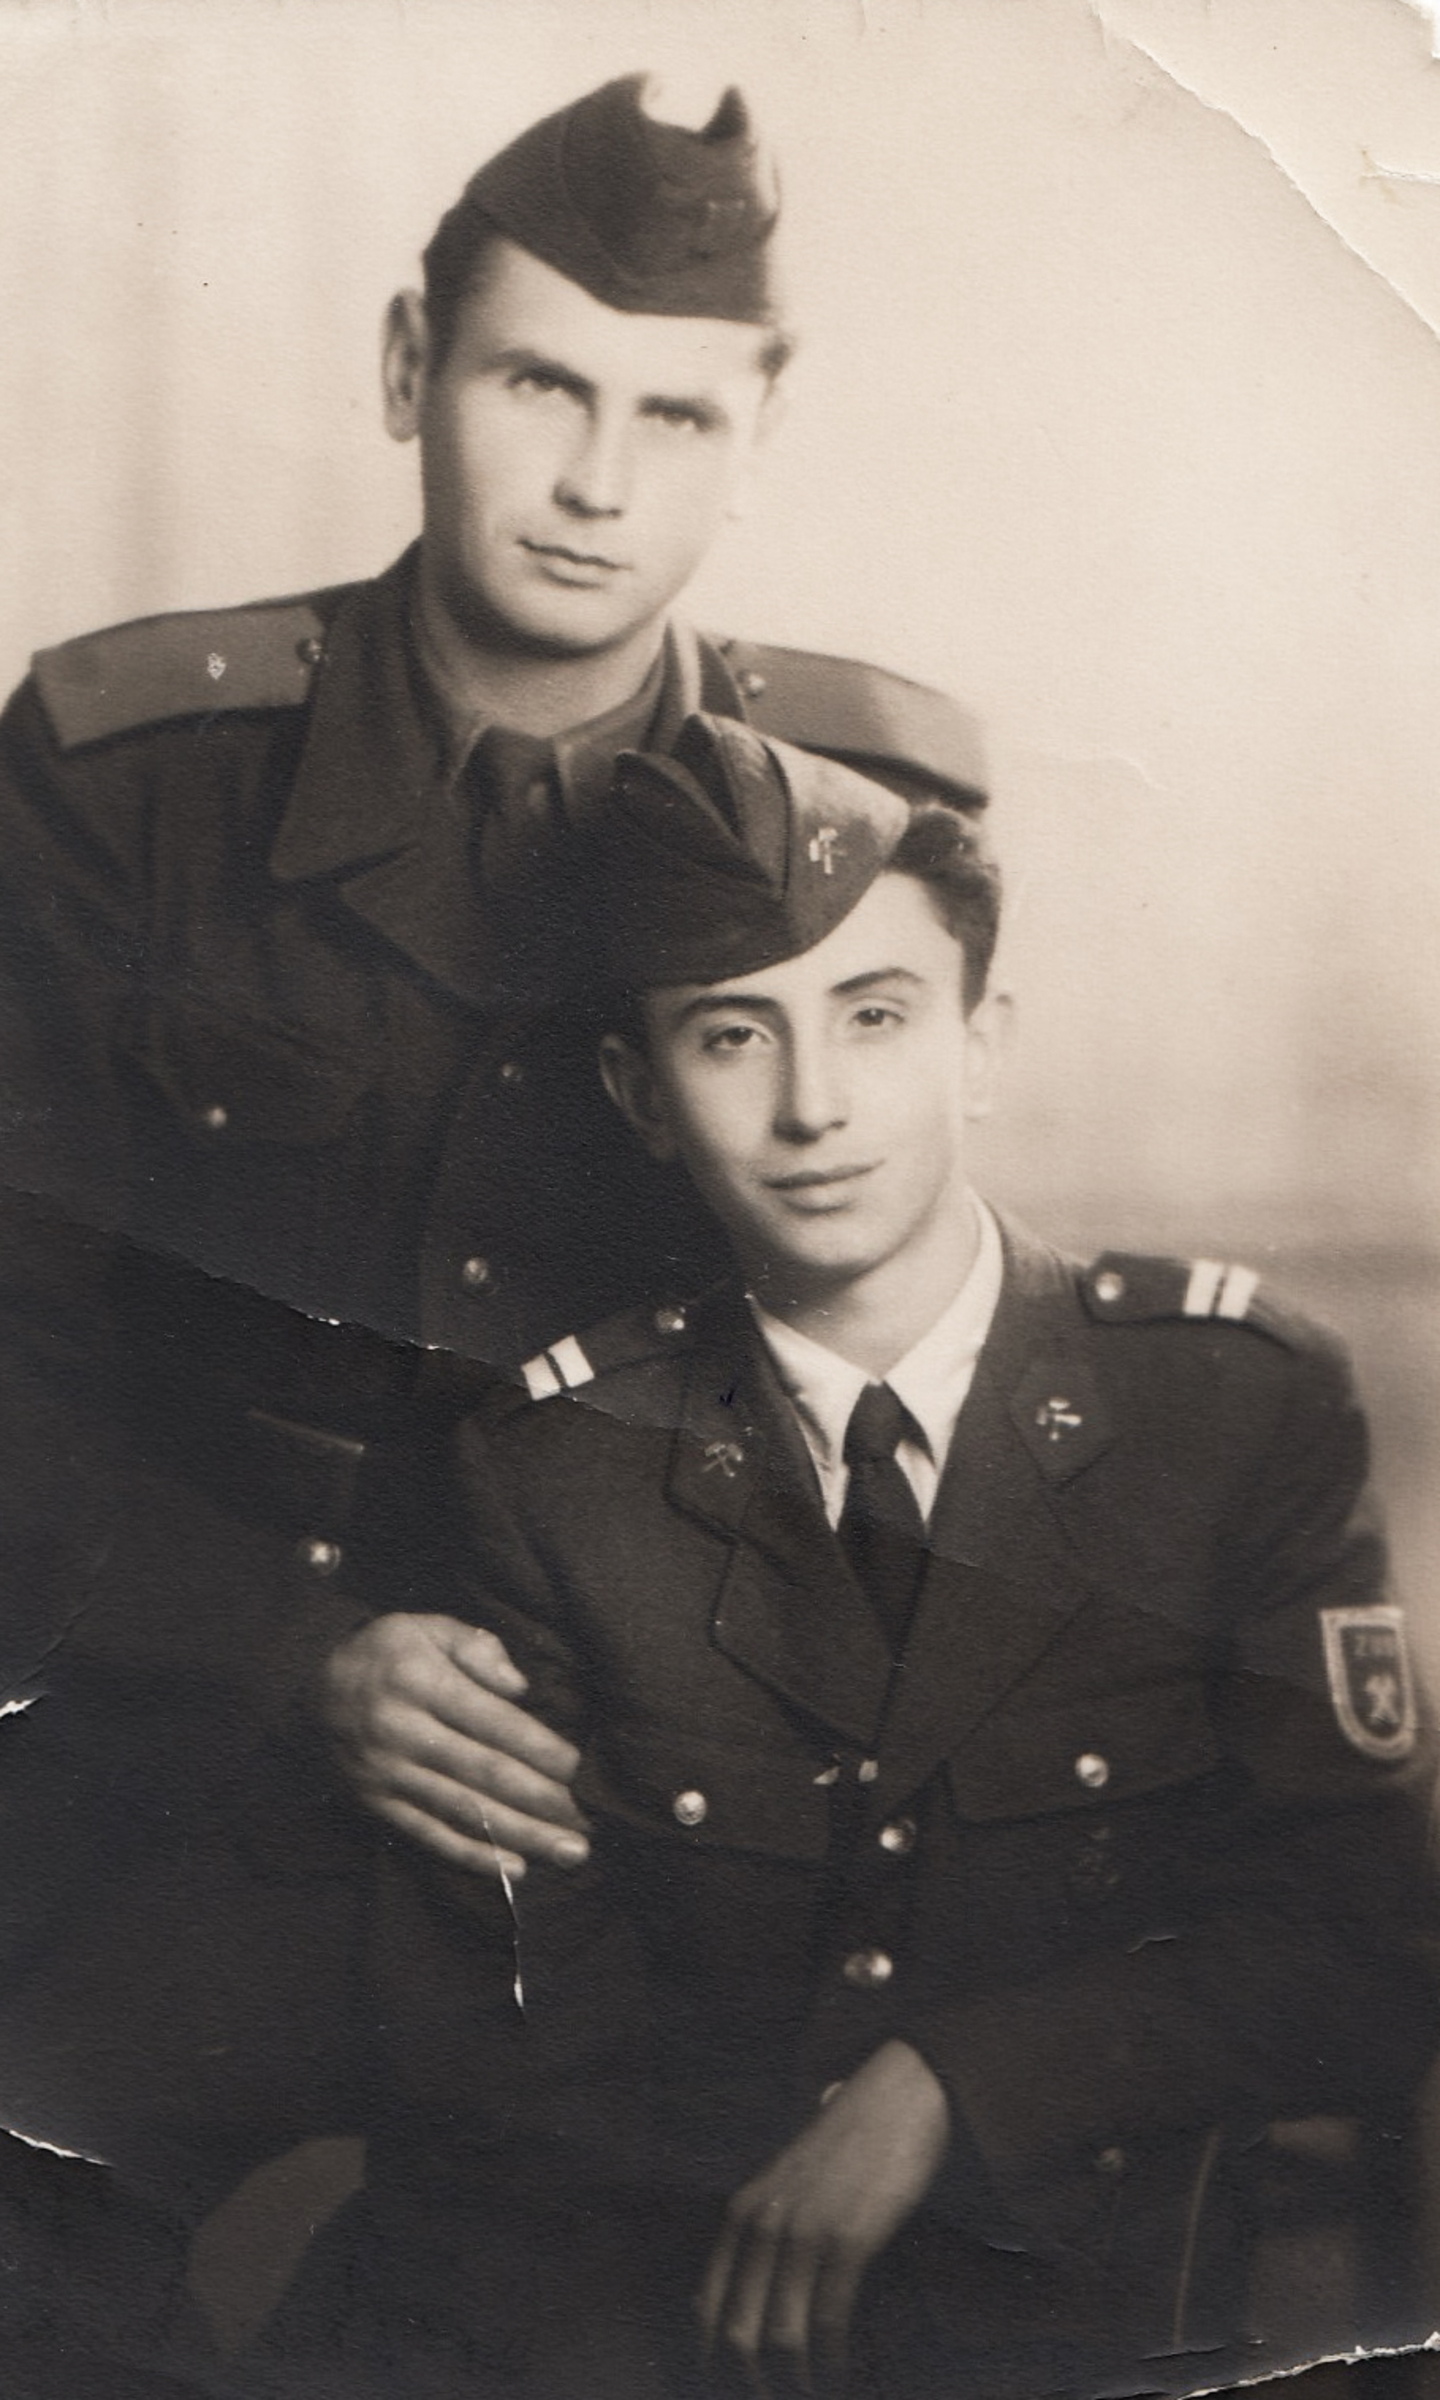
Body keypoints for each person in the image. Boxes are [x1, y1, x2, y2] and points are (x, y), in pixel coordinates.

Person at [0, 73, 984, 2207]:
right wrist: (288, 1654)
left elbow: (906, 1377)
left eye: (678, 414)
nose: (598, 484)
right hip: (170, 1775)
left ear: (759, 439)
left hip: (653, 1822)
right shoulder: (131, 780)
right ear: (406, 369)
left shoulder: (871, 814)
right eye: (540, 384)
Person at [317, 714, 1439, 2400]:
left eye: (877, 1016)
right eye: (731, 1035)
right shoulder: (553, 1468)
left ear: (982, 1045)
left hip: (1133, 2319)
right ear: (639, 1096)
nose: (814, 1107)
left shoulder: (1231, 1409)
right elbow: (510, 2079)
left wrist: (951, 2088)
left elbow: (1366, 1950)